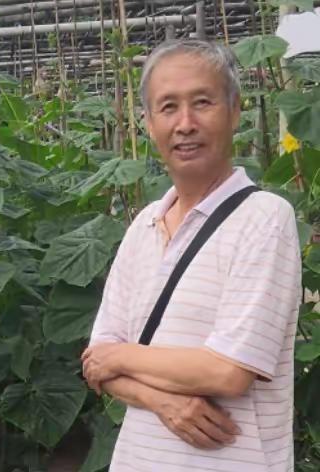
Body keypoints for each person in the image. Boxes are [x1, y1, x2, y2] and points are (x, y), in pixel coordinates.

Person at [82, 39, 302, 472]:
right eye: (168, 107)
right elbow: (97, 362)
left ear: (234, 111)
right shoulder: (143, 225)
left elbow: (228, 372)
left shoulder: (264, 218)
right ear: (149, 124)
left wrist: (120, 357)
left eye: (202, 103)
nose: (185, 123)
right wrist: (162, 401)